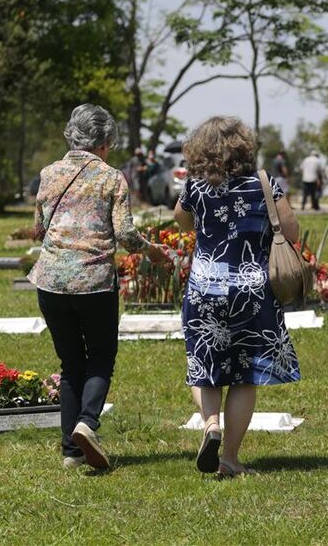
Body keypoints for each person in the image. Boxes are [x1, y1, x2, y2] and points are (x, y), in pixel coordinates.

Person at [29, 104, 170, 471]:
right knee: (101, 359)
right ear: (106, 141)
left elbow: (39, 228)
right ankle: (87, 424)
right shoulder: (111, 178)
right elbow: (124, 233)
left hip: (50, 282)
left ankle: (71, 452)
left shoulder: (48, 173)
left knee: (70, 362)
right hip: (94, 282)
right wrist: (152, 252)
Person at [174, 116, 301, 477]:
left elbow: (182, 223)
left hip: (204, 289)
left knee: (204, 368)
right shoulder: (264, 183)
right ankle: (229, 457)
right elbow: (291, 230)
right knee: (245, 375)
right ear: (245, 147)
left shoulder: (194, 187)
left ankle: (210, 423)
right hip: (253, 290)